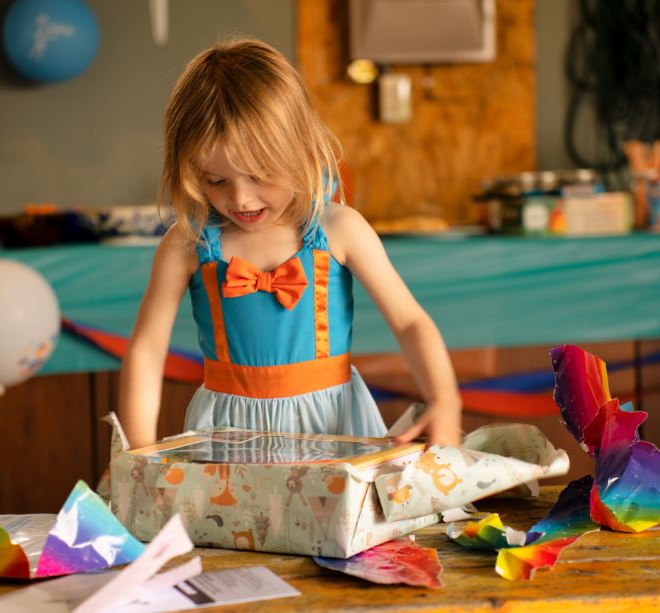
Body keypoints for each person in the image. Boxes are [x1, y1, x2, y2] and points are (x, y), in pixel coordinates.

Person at [118, 36, 461, 450]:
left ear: (298, 149)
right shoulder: (186, 244)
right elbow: (146, 351)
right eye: (216, 181)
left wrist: (444, 399)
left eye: (261, 175)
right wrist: (135, 452)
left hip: (333, 431)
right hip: (228, 437)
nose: (241, 198)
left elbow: (410, 323)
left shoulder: (341, 229)